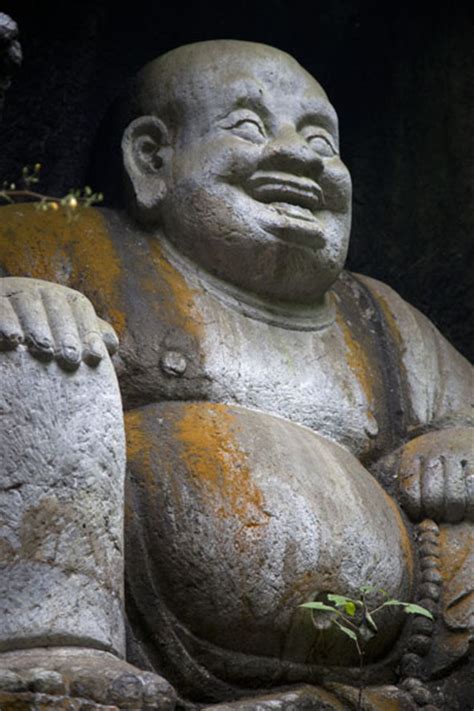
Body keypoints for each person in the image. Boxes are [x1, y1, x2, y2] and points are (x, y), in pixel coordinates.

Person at [0, 40, 472, 710]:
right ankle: (53, 642)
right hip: (134, 619)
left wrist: (455, 447)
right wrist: (21, 295)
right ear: (153, 160)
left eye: (320, 138)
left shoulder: (380, 318)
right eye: (250, 127)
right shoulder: (74, 245)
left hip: (393, 641)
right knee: (38, 339)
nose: (300, 155)